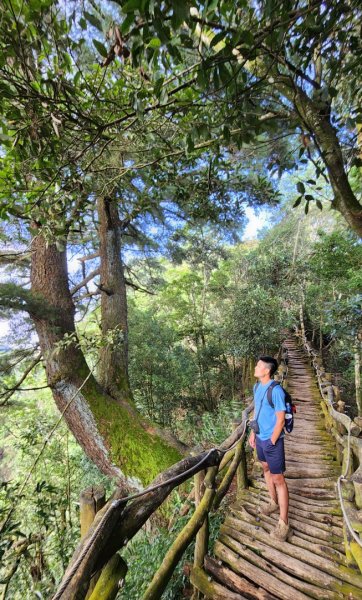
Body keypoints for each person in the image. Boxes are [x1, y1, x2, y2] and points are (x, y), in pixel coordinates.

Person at [248, 355, 291, 541]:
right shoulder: (257, 387)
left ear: (267, 370)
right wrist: (253, 433)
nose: (255, 368)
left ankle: (284, 523)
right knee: (265, 468)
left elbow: (280, 419)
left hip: (272, 441)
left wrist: (272, 440)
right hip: (259, 437)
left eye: (258, 366)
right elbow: (257, 410)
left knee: (279, 478)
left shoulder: (276, 391)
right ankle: (273, 502)